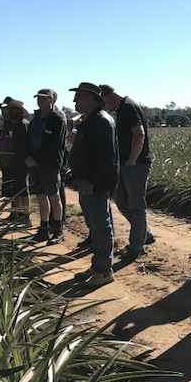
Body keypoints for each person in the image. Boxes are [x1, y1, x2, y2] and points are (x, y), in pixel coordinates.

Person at [68, 82, 119, 288]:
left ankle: (104, 270)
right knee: (94, 226)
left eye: (78, 96)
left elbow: (106, 156)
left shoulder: (101, 121)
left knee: (101, 226)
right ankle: (97, 265)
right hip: (86, 179)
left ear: (91, 98)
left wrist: (92, 180)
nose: (74, 100)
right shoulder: (90, 120)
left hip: (95, 182)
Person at [100, 84, 155, 261]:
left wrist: (132, 159)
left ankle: (136, 247)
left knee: (137, 207)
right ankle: (144, 233)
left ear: (108, 97)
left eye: (103, 102)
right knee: (122, 201)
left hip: (136, 165)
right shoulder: (122, 108)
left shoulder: (129, 107)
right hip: (126, 164)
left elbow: (139, 134)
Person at [26, 88, 67, 244]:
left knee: (53, 196)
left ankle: (58, 230)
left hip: (50, 164)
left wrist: (36, 159)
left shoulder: (57, 118)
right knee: (40, 196)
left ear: (52, 100)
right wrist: (28, 157)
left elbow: (54, 144)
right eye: (39, 98)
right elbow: (28, 141)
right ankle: (43, 229)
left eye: (44, 98)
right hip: (34, 164)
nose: (40, 101)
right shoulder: (36, 120)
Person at [0, 97, 30, 223]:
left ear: (16, 110)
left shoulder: (22, 125)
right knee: (12, 189)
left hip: (18, 164)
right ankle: (15, 214)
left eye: (8, 109)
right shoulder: (8, 125)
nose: (4, 112)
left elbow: (23, 146)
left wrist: (20, 162)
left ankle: (24, 216)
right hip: (7, 164)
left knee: (21, 190)